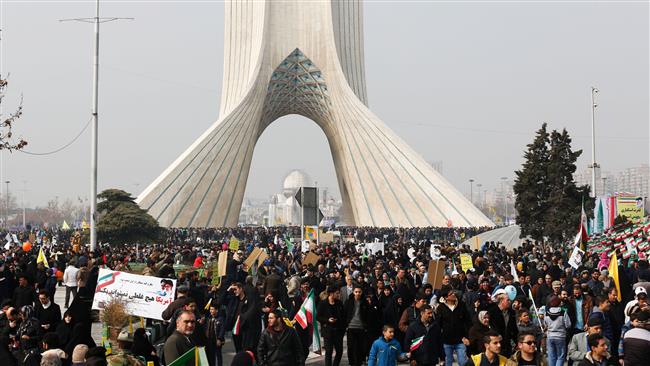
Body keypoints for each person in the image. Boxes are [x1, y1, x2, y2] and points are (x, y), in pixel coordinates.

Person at [436, 289, 471, 366]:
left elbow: (468, 322)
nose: (454, 294)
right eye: (451, 294)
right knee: (448, 363)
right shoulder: (441, 308)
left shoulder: (462, 305)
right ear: (446, 297)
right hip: (446, 341)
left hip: (461, 340)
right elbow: (438, 325)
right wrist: (440, 339)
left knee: (463, 362)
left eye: (454, 293)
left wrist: (467, 337)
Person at [317, 286, 346, 366]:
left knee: (339, 351)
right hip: (328, 331)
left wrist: (343, 328)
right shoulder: (323, 303)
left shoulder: (339, 303)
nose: (338, 294)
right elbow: (318, 316)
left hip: (338, 331)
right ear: (331, 293)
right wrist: (327, 320)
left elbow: (343, 316)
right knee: (329, 352)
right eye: (337, 293)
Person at [344, 285, 369, 366]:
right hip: (351, 327)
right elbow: (344, 313)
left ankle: (359, 362)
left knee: (360, 347)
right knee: (351, 346)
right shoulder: (348, 301)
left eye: (359, 292)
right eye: (356, 292)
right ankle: (352, 363)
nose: (358, 293)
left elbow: (368, 315)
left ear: (361, 293)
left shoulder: (364, 302)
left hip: (361, 327)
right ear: (353, 292)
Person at [544, 296, 571, 366]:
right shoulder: (563, 312)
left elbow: (545, 324)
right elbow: (568, 325)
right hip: (560, 336)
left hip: (550, 336)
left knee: (551, 356)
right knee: (560, 356)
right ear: (559, 303)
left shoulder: (546, 313)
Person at [489, 292, 518, 357]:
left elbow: (514, 329)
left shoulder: (511, 312)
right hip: (496, 343)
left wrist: (517, 342)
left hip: (508, 344)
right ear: (501, 301)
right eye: (507, 300)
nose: (509, 302)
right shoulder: (492, 312)